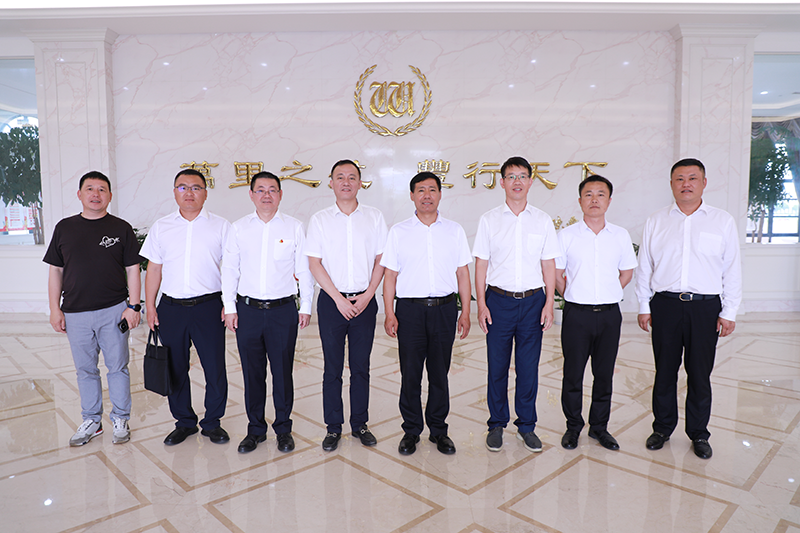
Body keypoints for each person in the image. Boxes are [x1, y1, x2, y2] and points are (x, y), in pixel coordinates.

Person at [636, 158, 742, 459]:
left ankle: (698, 433)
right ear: (671, 184)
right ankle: (662, 428)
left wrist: (729, 311)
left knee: (699, 373)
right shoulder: (656, 221)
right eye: (680, 179)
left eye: (692, 178)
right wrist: (644, 304)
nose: (686, 184)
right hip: (665, 305)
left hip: (705, 308)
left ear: (704, 183)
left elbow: (732, 268)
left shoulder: (722, 221)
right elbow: (645, 266)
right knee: (665, 371)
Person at [44, 171, 141, 447]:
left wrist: (133, 306)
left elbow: (133, 269)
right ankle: (92, 421)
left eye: (101, 189)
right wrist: (55, 309)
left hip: (114, 310)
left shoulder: (121, 228)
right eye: (90, 189)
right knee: (85, 370)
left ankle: (120, 418)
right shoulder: (64, 228)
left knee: (118, 367)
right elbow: (56, 271)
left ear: (109, 195)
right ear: (79, 194)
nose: (95, 194)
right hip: (75, 313)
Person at [381, 171, 472, 456]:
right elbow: (390, 276)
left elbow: (462, 274)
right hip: (409, 311)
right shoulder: (399, 232)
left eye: (432, 189)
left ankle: (438, 430)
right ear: (412, 196)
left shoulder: (454, 230)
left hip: (444, 310)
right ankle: (411, 431)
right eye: (421, 190)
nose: (427, 195)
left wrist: (465, 311)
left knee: (439, 374)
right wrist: (389, 313)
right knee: (410, 374)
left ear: (440, 194)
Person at [473, 156, 560, 453]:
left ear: (531, 182)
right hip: (498, 301)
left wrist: (549, 303)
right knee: (497, 366)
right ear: (502, 183)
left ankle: (526, 426)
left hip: (533, 302)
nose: (517, 182)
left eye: (522, 176)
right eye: (511, 176)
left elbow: (548, 264)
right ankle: (496, 424)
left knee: (528, 367)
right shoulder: (489, 220)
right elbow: (481, 264)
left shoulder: (542, 220)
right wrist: (481, 305)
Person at [222, 171, 313, 454]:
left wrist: (306, 306)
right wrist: (229, 308)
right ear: (251, 195)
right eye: (260, 190)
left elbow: (304, 270)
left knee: (283, 372)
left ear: (280, 195)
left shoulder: (294, 227)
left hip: (282, 311)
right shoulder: (238, 228)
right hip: (247, 310)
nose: (266, 195)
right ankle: (256, 430)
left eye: (272, 190)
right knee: (252, 373)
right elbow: (229, 270)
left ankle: (283, 429)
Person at [140, 169, 232, 446]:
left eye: (195, 187)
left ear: (205, 193)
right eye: (183, 187)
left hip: (209, 306)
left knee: (214, 367)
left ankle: (212, 422)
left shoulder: (222, 226)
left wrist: (229, 304)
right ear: (174, 192)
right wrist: (150, 306)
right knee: (176, 367)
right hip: (172, 308)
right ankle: (184, 422)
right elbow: (154, 269)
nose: (189, 193)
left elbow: (231, 268)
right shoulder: (162, 227)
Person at [305, 160, 387, 451]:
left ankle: (360, 424)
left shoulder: (374, 217)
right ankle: (333, 427)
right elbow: (314, 263)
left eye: (352, 177)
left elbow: (381, 259)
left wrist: (367, 295)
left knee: (361, 367)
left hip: (365, 301)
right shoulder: (320, 220)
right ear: (331, 182)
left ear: (360, 183)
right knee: (332, 368)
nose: (346, 182)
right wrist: (339, 299)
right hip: (332, 302)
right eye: (340, 177)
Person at [555, 175, 637, 451]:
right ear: (580, 201)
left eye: (600, 194)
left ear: (609, 201)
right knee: (573, 374)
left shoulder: (620, 235)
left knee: (604, 374)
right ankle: (573, 427)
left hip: (609, 315)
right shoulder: (567, 236)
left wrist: (609, 290)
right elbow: (556, 273)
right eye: (588, 194)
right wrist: (571, 293)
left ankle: (599, 427)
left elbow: (627, 272)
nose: (594, 199)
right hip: (577, 315)